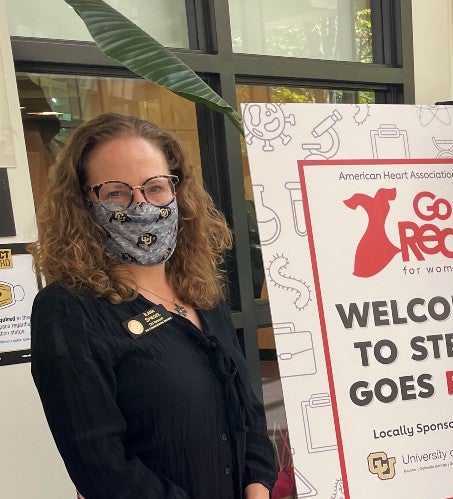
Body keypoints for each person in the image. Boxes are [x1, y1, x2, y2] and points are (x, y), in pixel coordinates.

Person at [29, 113, 276, 499]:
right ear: (82, 203)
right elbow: (100, 466)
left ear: (177, 191)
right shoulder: (68, 311)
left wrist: (258, 484)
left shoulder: (201, 291)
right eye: (115, 192)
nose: (141, 205)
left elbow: (247, 410)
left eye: (155, 187)